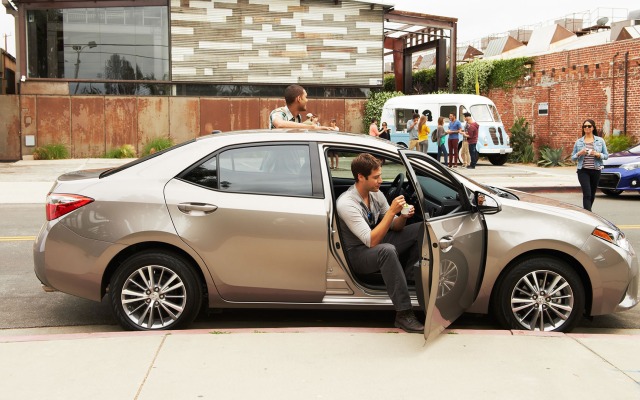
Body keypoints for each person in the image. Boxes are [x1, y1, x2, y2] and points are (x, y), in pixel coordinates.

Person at [336, 153, 424, 333]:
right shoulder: (347, 203)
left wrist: (403, 217)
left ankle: (409, 278)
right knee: (387, 251)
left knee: (421, 229)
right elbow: (371, 240)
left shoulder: (376, 194)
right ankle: (404, 314)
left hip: (375, 241)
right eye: (376, 177)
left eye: (380, 176)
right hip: (357, 253)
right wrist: (391, 212)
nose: (380, 181)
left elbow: (395, 226)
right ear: (361, 177)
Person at [571, 119, 609, 211]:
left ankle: (588, 212)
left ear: (593, 128)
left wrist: (597, 154)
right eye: (585, 126)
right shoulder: (579, 142)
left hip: (596, 170)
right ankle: (588, 214)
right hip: (583, 170)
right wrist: (580, 153)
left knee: (592, 194)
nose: (587, 128)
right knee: (587, 194)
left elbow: (606, 156)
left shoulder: (600, 140)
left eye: (589, 126)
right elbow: (573, 158)